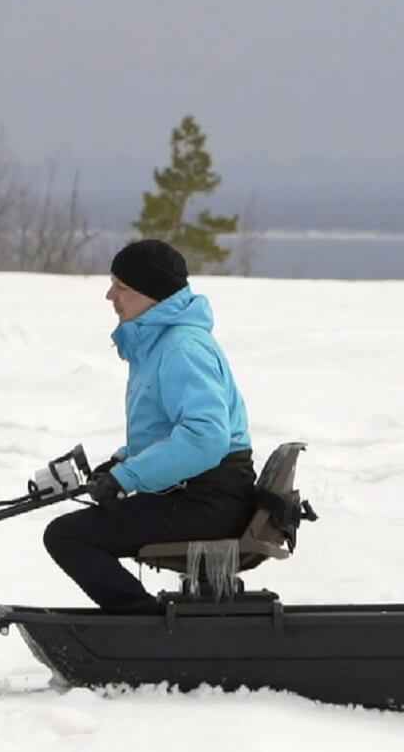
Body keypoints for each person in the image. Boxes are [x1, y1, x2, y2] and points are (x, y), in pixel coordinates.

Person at [42, 238, 256, 613]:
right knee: (72, 533)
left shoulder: (181, 349)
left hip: (208, 501)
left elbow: (206, 438)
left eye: (121, 286)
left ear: (152, 294)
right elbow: (168, 433)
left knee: (67, 536)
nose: (110, 295)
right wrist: (121, 464)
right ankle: (147, 628)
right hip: (195, 493)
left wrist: (128, 478)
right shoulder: (162, 345)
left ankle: (145, 626)